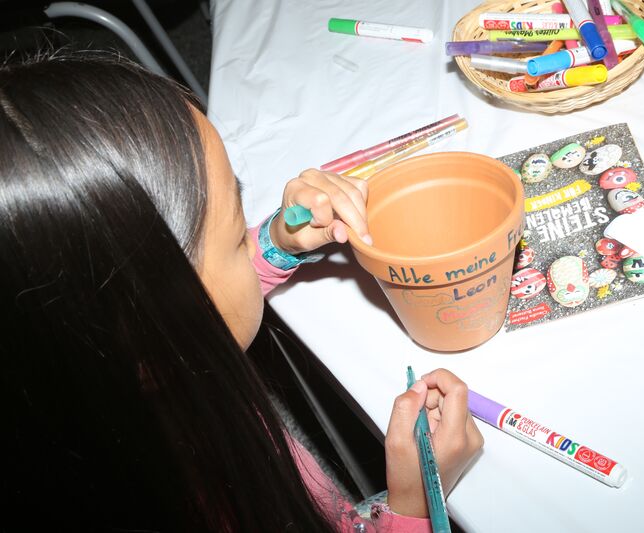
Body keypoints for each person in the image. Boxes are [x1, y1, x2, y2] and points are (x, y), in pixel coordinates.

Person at [0, 53, 483, 532]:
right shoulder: (205, 502)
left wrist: (279, 241)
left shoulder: (95, 369)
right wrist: (413, 507)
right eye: (238, 238)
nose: (250, 240)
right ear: (153, 330)